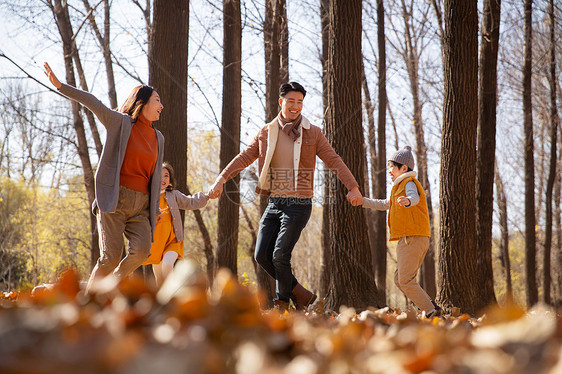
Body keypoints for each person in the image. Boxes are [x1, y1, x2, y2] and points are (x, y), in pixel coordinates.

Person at [208, 82, 363, 312]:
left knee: (280, 255)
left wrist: (353, 187)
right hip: (274, 203)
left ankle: (282, 304)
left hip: (299, 204)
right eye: (291, 101)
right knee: (262, 255)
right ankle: (301, 294)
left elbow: (334, 160)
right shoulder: (266, 132)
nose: (295, 106)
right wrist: (221, 179)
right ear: (281, 102)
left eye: (300, 102)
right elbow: (243, 158)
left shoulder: (313, 132)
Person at [43, 62, 165, 293]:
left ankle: (108, 286)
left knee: (141, 252)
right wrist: (61, 86)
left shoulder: (159, 137)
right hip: (115, 200)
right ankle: (87, 302)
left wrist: (154, 210)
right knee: (110, 257)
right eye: (157, 100)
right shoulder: (120, 123)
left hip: (141, 206)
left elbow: (155, 176)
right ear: (143, 101)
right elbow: (92, 102)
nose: (162, 105)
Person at [360, 146, 442, 318]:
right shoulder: (397, 188)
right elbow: (384, 204)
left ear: (403, 168)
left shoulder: (408, 183)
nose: (389, 170)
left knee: (405, 280)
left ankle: (432, 311)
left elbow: (415, 198)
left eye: (391, 166)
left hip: (413, 237)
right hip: (408, 239)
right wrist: (363, 201)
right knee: (400, 280)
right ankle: (431, 305)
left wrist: (408, 201)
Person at [143, 162, 209, 286]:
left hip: (173, 241)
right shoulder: (147, 197)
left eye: (166, 175)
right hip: (155, 244)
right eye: (159, 175)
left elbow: (190, 201)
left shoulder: (173, 195)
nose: (163, 179)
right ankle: (164, 300)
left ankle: (174, 291)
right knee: (159, 278)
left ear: (170, 179)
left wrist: (207, 196)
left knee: (167, 265)